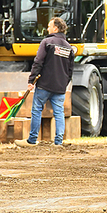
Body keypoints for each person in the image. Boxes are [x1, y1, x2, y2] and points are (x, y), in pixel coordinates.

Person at [15, 17, 74, 147]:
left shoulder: (47, 42)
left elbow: (38, 62)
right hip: (59, 87)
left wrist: (32, 80)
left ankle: (32, 139)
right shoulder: (69, 47)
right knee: (59, 113)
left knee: (36, 110)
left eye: (49, 26)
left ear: (55, 28)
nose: (47, 29)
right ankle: (58, 142)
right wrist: (63, 84)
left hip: (44, 85)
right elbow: (70, 70)